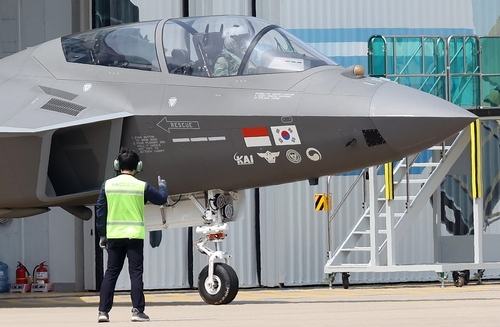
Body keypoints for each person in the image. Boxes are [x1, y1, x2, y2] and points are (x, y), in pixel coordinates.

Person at [96, 147, 168, 323]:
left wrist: (102, 234)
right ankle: (137, 311)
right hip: (134, 236)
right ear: (138, 166)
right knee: (135, 274)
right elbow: (161, 199)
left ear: (117, 165)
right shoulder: (141, 186)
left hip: (114, 236)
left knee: (111, 273)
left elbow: (100, 211)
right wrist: (163, 186)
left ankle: (103, 312)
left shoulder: (108, 185)